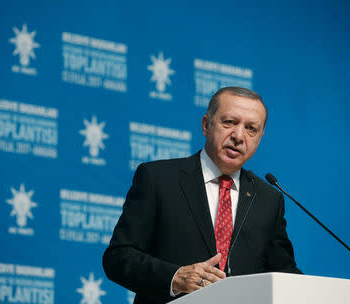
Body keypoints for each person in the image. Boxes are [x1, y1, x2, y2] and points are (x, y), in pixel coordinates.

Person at [103, 87, 301, 304]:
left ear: (260, 137)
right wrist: (175, 277)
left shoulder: (268, 199)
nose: (238, 136)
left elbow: (285, 275)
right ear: (206, 125)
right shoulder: (158, 179)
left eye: (251, 128)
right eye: (230, 122)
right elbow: (118, 257)